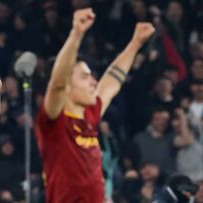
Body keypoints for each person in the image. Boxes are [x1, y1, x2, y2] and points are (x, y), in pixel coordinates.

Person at [34, 8, 155, 203]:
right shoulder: (53, 122)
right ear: (67, 87)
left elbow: (111, 82)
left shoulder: (89, 115)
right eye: (84, 77)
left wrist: (136, 43)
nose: (93, 82)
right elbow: (57, 84)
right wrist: (76, 34)